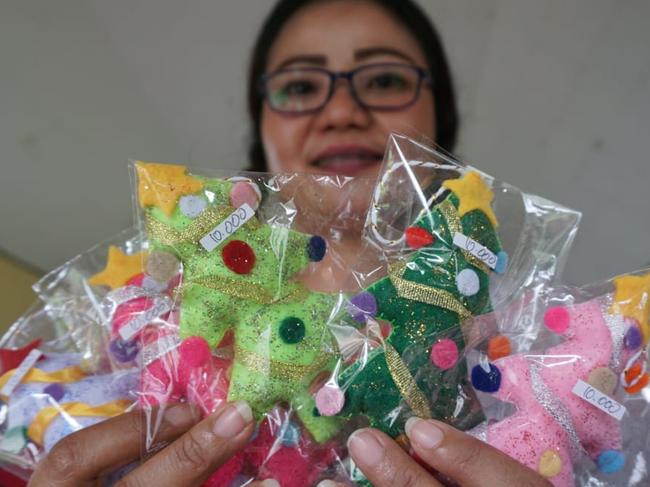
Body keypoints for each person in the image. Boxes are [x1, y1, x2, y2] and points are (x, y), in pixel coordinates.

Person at [29, 1, 553, 486]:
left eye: (385, 79)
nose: (342, 111)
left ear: (444, 115)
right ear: (261, 125)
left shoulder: (534, 355)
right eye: (301, 87)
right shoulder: (133, 332)